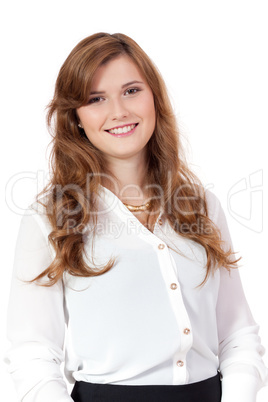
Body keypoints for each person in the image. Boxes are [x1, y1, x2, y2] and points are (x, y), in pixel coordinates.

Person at [5, 32, 268, 402]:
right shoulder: (48, 219)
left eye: (131, 91)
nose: (119, 112)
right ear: (76, 117)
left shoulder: (202, 206)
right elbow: (32, 353)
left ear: (154, 98)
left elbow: (238, 334)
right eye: (96, 99)